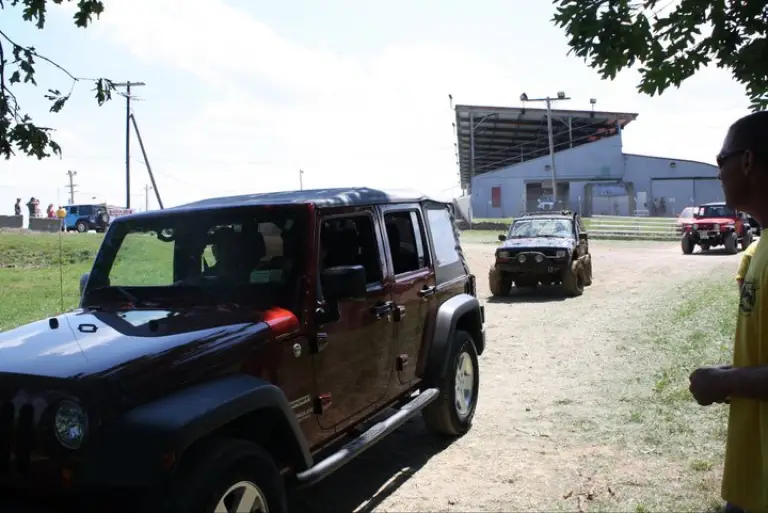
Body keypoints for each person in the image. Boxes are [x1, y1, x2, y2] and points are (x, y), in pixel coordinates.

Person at [688, 110, 768, 513]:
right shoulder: (761, 246)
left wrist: (729, 381)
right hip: (753, 477)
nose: (718, 172)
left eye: (722, 160)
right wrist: (732, 374)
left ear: (748, 161)